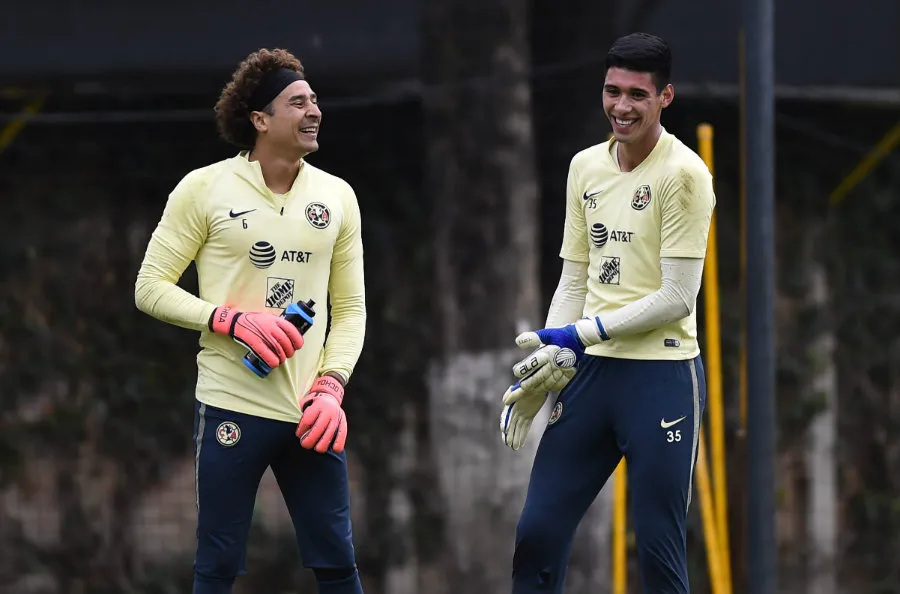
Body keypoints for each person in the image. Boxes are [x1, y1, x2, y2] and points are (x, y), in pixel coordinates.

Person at [134, 48, 366, 594]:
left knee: (337, 563)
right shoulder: (204, 189)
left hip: (312, 412)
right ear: (260, 120)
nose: (314, 112)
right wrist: (230, 320)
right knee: (216, 564)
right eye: (297, 102)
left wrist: (331, 387)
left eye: (315, 101)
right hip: (233, 404)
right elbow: (149, 288)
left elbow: (350, 310)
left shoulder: (337, 196)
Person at [500, 32, 715, 593]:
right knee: (537, 536)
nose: (621, 107)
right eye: (612, 91)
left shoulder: (685, 175)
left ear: (665, 97)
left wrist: (579, 332)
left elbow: (677, 297)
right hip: (591, 375)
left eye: (637, 95)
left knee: (658, 551)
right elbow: (575, 277)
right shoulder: (585, 168)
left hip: (661, 380)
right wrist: (551, 361)